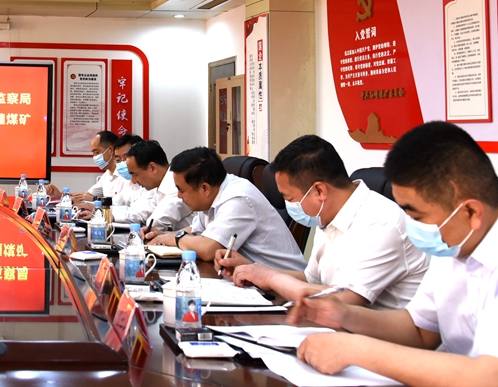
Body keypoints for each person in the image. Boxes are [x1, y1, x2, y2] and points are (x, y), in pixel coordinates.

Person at [292, 122, 498, 385]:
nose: (411, 226)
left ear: (471, 212)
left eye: (418, 217)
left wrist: (357, 350)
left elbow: (489, 376)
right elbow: (420, 330)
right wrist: (344, 314)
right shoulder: (453, 247)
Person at [215, 135, 428, 309]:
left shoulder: (381, 223)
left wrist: (270, 278)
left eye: (290, 198)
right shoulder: (329, 214)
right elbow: (311, 280)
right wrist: (252, 270)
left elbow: (343, 300)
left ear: (319, 191)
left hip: (382, 341)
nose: (290, 205)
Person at [147, 147, 305, 271]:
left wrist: (174, 239)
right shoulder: (213, 196)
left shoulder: (238, 198)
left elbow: (209, 249)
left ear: (205, 188)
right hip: (254, 278)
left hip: (285, 288)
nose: (179, 195)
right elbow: (196, 230)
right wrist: (161, 235)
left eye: (181, 190)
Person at [122, 140, 192, 232]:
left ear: (152, 168)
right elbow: (145, 212)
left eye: (135, 174)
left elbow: (156, 222)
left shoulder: (177, 184)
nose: (134, 181)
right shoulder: (159, 187)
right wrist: (111, 215)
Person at [46, 131, 122, 204]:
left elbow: (121, 203)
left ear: (111, 150)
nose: (95, 157)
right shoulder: (106, 176)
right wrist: (60, 194)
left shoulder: (124, 173)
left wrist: (95, 199)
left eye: (97, 152)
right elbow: (85, 196)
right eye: (94, 154)